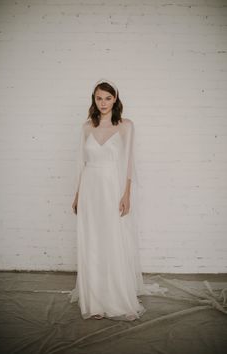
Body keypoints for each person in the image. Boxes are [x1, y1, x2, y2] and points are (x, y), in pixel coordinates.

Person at [69, 79, 167, 321]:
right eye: (99, 98)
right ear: (94, 99)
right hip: (90, 189)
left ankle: (115, 296)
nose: (103, 103)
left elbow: (129, 163)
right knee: (92, 240)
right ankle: (95, 300)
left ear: (116, 99)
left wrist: (127, 194)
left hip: (112, 188)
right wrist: (77, 195)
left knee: (113, 239)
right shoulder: (86, 128)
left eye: (108, 98)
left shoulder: (125, 126)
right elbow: (82, 165)